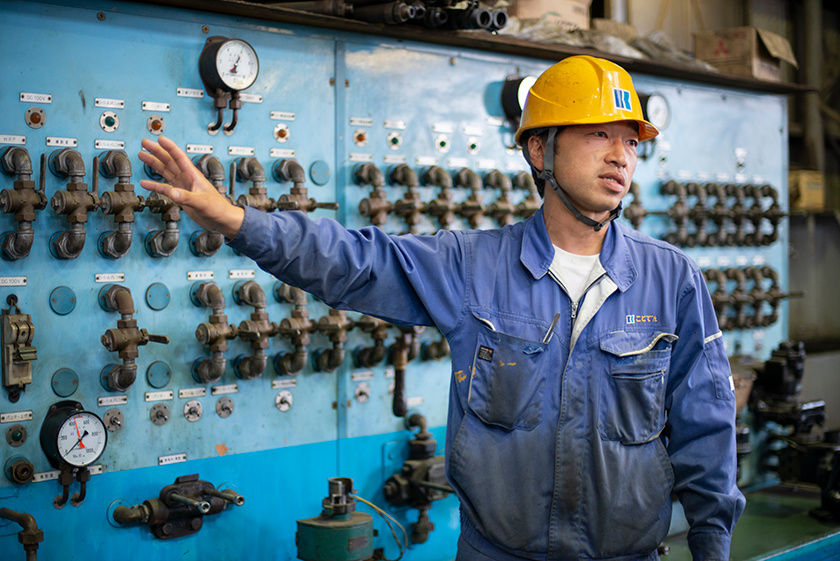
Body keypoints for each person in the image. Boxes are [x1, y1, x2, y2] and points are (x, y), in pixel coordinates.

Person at [139, 55, 745, 561]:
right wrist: (237, 221)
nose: (620, 155)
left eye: (630, 141)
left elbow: (706, 425)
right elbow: (357, 261)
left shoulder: (672, 279)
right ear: (540, 150)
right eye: (598, 134)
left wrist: (712, 544)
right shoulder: (471, 267)